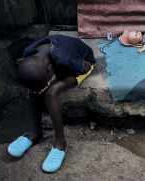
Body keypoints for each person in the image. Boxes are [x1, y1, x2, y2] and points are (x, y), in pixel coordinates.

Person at [7, 34, 96, 173]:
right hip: (56, 63)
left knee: (50, 92)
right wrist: (41, 84)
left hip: (81, 63)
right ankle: (36, 134)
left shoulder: (67, 59)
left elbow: (87, 66)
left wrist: (56, 77)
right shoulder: (28, 52)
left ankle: (61, 143)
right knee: (35, 90)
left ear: (50, 68)